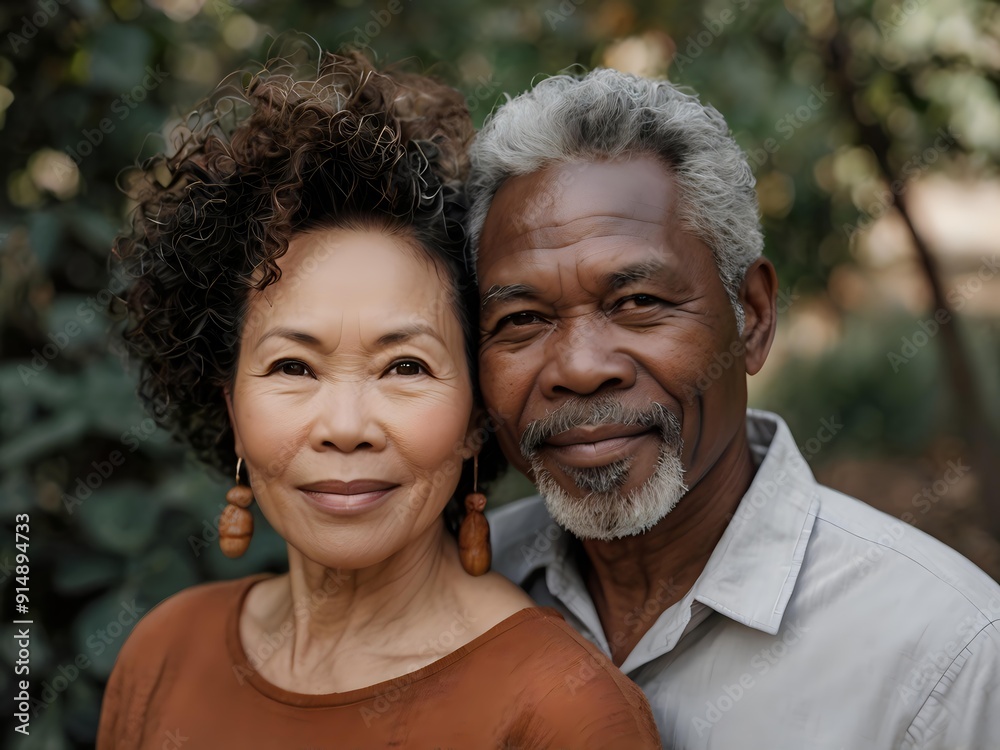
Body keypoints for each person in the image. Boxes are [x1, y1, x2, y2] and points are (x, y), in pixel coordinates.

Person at [97, 50, 660, 749]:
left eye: (404, 366)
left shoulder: (561, 712)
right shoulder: (163, 653)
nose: (345, 426)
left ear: (476, 418)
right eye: (294, 367)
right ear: (231, 408)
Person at [468, 68, 1000, 749]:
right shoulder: (455, 599)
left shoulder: (945, 660)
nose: (579, 367)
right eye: (523, 318)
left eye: (638, 304)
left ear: (751, 316)